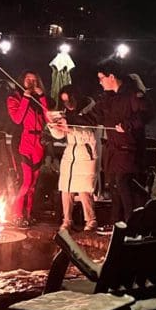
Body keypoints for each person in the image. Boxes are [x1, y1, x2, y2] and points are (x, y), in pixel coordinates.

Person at [89, 59, 148, 227]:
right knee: (114, 186)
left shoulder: (132, 94)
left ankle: (131, 224)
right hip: (113, 151)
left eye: (102, 78)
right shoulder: (108, 99)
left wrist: (127, 125)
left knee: (124, 186)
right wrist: (66, 121)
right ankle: (115, 223)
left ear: (112, 76)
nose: (100, 82)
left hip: (128, 150)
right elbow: (93, 116)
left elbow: (146, 114)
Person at [48, 86, 98, 232]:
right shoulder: (66, 114)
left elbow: (91, 135)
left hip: (85, 153)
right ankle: (67, 220)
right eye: (64, 101)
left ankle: (91, 220)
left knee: (84, 189)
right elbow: (59, 135)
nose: (68, 104)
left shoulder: (90, 111)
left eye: (70, 100)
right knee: (66, 188)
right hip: (70, 153)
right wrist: (54, 126)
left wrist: (70, 128)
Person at [6, 70, 50, 227]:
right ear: (22, 81)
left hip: (38, 142)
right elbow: (17, 119)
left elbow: (48, 119)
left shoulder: (40, 99)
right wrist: (26, 96)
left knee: (33, 183)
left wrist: (42, 97)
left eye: (34, 79)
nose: (31, 82)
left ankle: (28, 214)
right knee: (25, 181)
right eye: (28, 79)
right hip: (22, 142)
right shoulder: (14, 98)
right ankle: (16, 214)